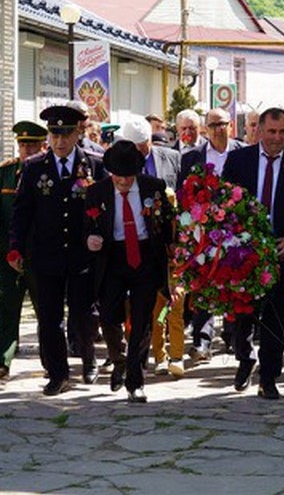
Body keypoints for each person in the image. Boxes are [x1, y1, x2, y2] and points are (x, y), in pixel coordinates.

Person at [9, 104, 107, 396]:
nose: (60, 141)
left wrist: (98, 236)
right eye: (55, 134)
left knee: (83, 314)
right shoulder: (33, 167)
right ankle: (58, 373)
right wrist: (15, 247)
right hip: (46, 255)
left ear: (78, 132)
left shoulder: (94, 164)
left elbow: (104, 207)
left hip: (81, 255)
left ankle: (89, 359)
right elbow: (22, 211)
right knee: (50, 318)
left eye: (66, 134)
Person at [222, 107, 284, 399]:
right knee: (241, 315)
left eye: (282, 132)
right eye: (271, 131)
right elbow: (224, 203)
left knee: (276, 317)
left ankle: (269, 376)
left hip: (282, 254)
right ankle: (244, 356)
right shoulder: (239, 160)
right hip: (244, 253)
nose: (276, 138)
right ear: (259, 130)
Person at [85, 141, 174, 402]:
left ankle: (135, 381)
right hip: (112, 259)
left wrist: (171, 249)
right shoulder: (97, 192)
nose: (123, 181)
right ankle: (119, 358)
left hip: (145, 258)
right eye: (118, 175)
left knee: (142, 320)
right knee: (109, 316)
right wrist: (90, 239)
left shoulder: (153, 187)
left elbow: (166, 222)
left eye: (128, 175)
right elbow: (85, 227)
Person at [0, 121, 47, 379]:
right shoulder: (5, 172)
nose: (26, 150)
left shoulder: (48, 172)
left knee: (46, 312)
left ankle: (52, 363)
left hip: (39, 255)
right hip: (9, 254)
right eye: (22, 144)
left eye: (32, 145)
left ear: (43, 145)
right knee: (7, 306)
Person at [116, 115, 183, 378]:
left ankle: (171, 354)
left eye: (144, 148)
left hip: (166, 250)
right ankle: (142, 355)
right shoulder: (116, 165)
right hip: (130, 249)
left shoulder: (172, 160)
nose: (140, 156)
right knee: (139, 310)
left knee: (170, 304)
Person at [180, 108, 245, 361]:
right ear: (205, 129)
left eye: (222, 124)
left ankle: (231, 337)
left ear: (230, 126)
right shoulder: (191, 157)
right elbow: (184, 191)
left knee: (233, 282)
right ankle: (202, 341)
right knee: (203, 285)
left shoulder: (243, 153)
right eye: (213, 125)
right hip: (203, 230)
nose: (218, 129)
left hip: (237, 229)